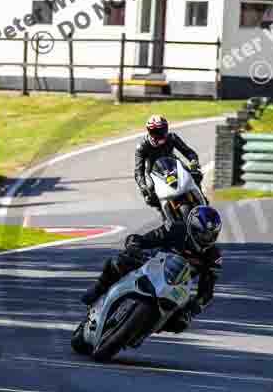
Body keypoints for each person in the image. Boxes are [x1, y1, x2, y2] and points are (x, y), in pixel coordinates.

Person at [81, 205, 223, 333]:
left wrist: (194, 308)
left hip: (174, 287)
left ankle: (141, 330)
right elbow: (144, 239)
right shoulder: (176, 229)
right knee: (117, 262)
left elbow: (207, 291)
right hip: (149, 266)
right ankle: (98, 288)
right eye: (203, 233)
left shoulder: (213, 257)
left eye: (211, 235)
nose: (206, 238)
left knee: (180, 323)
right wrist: (134, 245)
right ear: (192, 227)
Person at [135, 115, 202, 218]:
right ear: (149, 132)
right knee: (150, 197)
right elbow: (138, 170)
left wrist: (193, 161)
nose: (160, 134)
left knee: (196, 175)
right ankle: (166, 217)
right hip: (155, 173)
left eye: (162, 130)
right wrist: (142, 186)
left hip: (175, 166)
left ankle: (202, 199)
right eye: (156, 132)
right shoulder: (142, 147)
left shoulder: (172, 137)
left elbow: (188, 152)